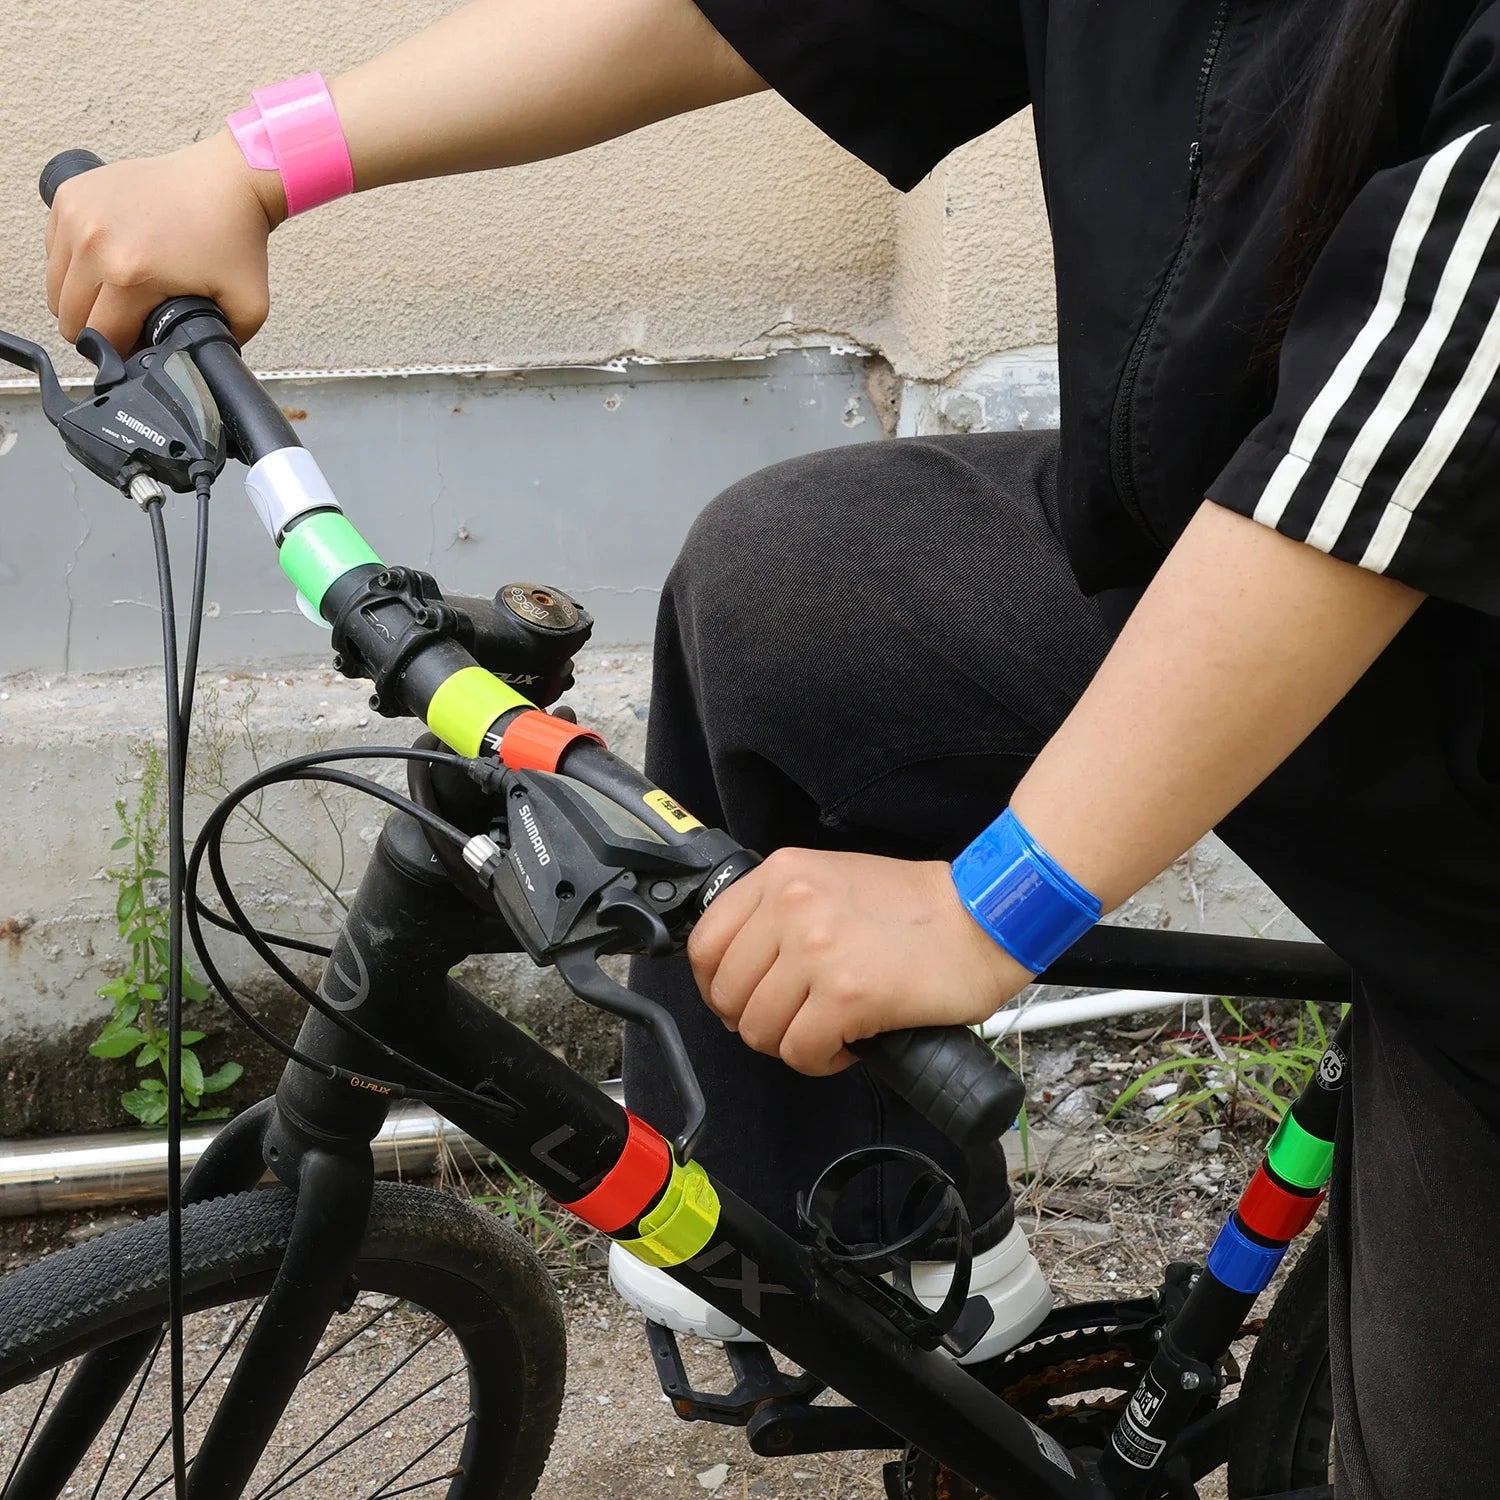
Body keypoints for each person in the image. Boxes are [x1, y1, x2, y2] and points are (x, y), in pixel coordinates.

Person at [43, 2, 1500, 1494]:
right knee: (792, 592)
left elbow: (1391, 460)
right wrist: (253, 164)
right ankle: (898, 1238)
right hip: (1257, 580)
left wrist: (992, 901)